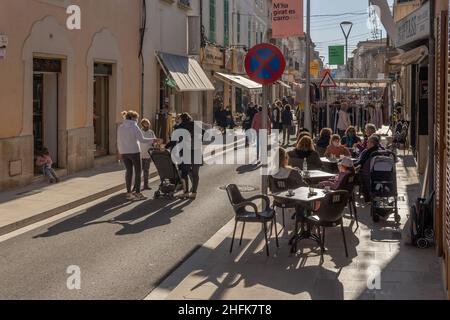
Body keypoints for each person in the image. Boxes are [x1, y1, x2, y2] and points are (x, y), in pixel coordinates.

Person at [118, 110, 155, 201]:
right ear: (133, 118)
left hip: (124, 152)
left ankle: (129, 193)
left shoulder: (121, 127)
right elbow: (142, 139)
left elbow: (119, 140)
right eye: (137, 118)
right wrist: (153, 139)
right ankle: (138, 193)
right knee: (138, 172)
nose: (137, 120)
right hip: (134, 151)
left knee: (129, 172)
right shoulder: (135, 127)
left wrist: (120, 152)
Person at [166, 113, 204, 199]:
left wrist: (164, 147)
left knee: (184, 173)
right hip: (196, 151)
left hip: (185, 152)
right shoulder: (195, 125)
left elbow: (173, 142)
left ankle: (186, 192)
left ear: (181, 119)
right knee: (195, 174)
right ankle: (194, 193)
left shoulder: (179, 127)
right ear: (189, 118)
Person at [139, 118, 160, 191]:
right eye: (146, 123)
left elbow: (154, 141)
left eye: (148, 123)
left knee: (146, 170)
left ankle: (146, 185)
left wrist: (156, 142)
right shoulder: (139, 132)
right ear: (142, 124)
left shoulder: (151, 132)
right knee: (139, 171)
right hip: (140, 154)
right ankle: (136, 186)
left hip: (148, 154)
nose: (147, 125)